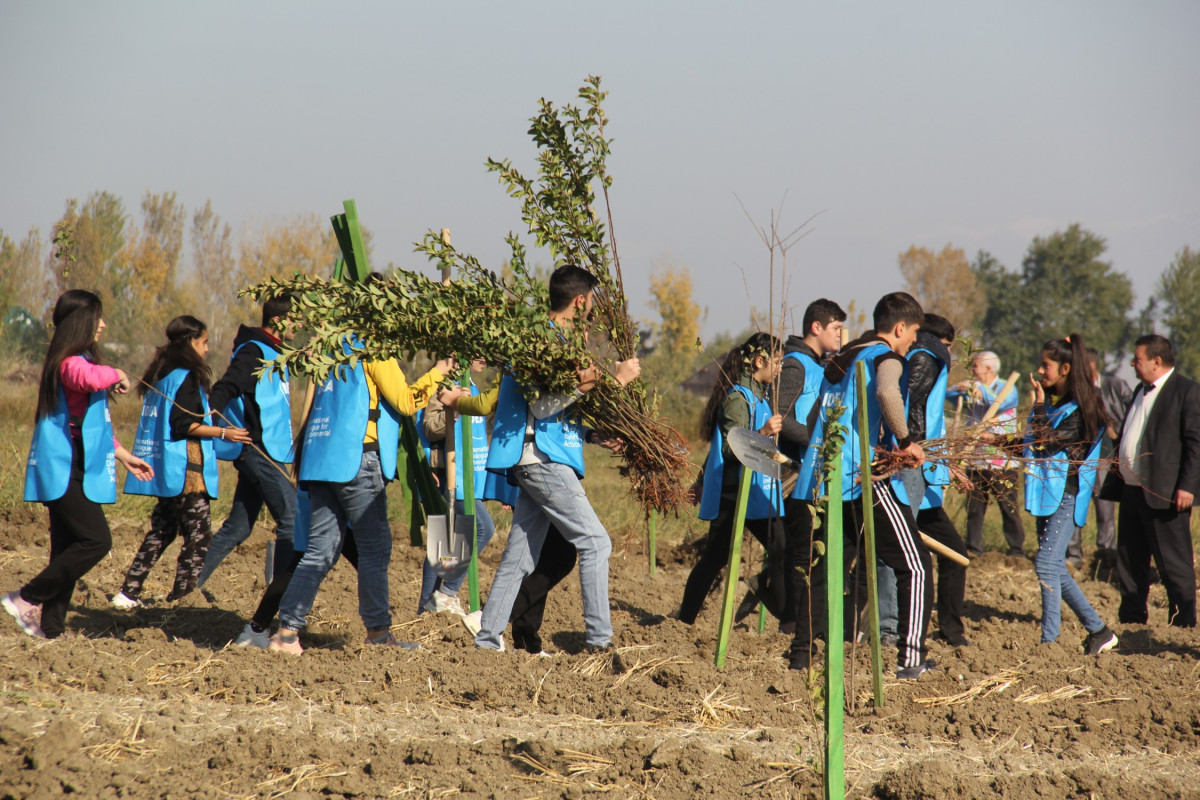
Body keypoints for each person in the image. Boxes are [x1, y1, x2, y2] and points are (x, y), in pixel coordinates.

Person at [470, 265, 640, 655]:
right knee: (596, 543)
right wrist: (613, 381)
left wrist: (592, 434)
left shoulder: (559, 342)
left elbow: (558, 412)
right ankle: (600, 643)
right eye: (592, 301)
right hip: (542, 461)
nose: (593, 308)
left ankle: (487, 640)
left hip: (538, 457)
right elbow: (543, 409)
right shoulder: (542, 343)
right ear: (580, 301)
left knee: (520, 556)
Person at [267, 337, 451, 653]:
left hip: (322, 462)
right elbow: (406, 402)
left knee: (319, 549)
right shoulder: (374, 349)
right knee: (375, 548)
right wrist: (438, 372)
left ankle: (285, 634)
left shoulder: (330, 348)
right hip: (358, 460)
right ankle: (378, 634)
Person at [799, 291, 935, 679]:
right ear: (899, 328)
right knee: (916, 566)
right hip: (860, 479)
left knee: (824, 571)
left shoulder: (846, 356)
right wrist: (905, 442)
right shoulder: (884, 356)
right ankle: (911, 659)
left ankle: (801, 655)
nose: (914, 341)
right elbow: (886, 391)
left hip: (825, 477)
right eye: (914, 332)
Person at [4, 290, 154, 639]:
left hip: (78, 463)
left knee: (66, 549)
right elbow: (87, 378)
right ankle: (25, 597)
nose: (103, 325)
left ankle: (51, 629)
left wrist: (123, 455)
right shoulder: (69, 362)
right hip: (63, 467)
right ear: (81, 322)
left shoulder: (80, 360)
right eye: (98, 318)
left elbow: (90, 425)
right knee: (96, 541)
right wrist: (117, 371)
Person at [114, 316, 251, 608]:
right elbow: (183, 424)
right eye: (204, 342)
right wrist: (224, 433)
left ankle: (127, 593)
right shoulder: (187, 377)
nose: (207, 348)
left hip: (167, 469)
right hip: (187, 471)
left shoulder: (163, 374)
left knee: (163, 530)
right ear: (190, 342)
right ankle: (183, 599)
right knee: (198, 537)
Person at [679, 332, 788, 627]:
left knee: (782, 549)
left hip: (757, 490)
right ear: (759, 361)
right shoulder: (738, 399)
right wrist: (764, 433)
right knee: (715, 559)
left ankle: (783, 613)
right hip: (735, 493)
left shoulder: (759, 397)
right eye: (777, 362)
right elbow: (729, 448)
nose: (779, 369)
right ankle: (683, 622)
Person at [194, 295, 298, 592]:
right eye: (296, 319)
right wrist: (210, 425)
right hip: (258, 451)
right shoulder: (253, 351)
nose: (300, 325)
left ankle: (191, 584)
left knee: (237, 528)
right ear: (278, 320)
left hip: (268, 450)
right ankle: (279, 598)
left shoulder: (276, 351)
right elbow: (225, 387)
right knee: (292, 520)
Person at [1024, 334, 1116, 654]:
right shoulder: (1055, 403)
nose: (1040, 371)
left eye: (1045, 365)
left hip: (1066, 495)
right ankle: (1099, 631)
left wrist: (1038, 404)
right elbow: (1035, 442)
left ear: (1065, 369)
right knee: (1054, 567)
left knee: (1046, 564)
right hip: (1046, 493)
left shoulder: (1080, 410)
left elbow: (1046, 441)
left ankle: (1049, 643)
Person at [1102, 334, 1200, 628]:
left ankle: (1182, 624)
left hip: (1165, 493)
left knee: (1173, 563)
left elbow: (1196, 444)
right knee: (1130, 561)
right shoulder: (1139, 390)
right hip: (1132, 490)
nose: (1132, 364)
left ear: (1156, 361)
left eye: (1137, 359)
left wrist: (1187, 486)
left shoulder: (1187, 391)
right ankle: (1132, 622)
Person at [888, 313, 971, 648]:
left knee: (954, 553)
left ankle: (951, 630)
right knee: (903, 557)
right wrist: (911, 452)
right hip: (909, 472)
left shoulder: (928, 358)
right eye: (948, 345)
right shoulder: (926, 357)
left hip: (925, 474)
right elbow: (908, 411)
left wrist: (945, 466)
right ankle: (894, 632)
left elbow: (927, 418)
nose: (948, 352)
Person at [776, 298, 845, 670]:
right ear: (816, 327)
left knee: (806, 554)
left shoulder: (819, 366)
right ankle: (794, 627)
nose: (840, 335)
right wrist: (816, 441)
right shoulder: (796, 364)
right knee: (802, 556)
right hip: (795, 473)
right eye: (836, 328)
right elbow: (781, 417)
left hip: (813, 472)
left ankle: (799, 621)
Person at [417, 358, 501, 618]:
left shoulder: (473, 386)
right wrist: (453, 410)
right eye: (477, 353)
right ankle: (447, 592)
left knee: (445, 542)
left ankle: (426, 609)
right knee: (482, 528)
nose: (484, 359)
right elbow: (430, 427)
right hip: (452, 473)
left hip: (472, 474)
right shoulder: (445, 383)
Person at [947, 351, 1026, 558]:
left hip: (1002, 461)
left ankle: (1016, 549)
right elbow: (948, 395)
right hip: (976, 459)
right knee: (974, 508)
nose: (972, 371)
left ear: (988, 369)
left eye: (975, 367)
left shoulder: (1007, 388)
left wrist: (980, 389)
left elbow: (998, 402)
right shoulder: (972, 389)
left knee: (1008, 506)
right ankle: (973, 548)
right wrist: (960, 387)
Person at [1084, 346, 1132, 564]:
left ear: (1091, 366)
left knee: (1104, 506)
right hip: (1083, 456)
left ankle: (1107, 553)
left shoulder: (1115, 386)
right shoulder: (1076, 391)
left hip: (1106, 454)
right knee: (1077, 504)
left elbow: (1133, 412)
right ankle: (1072, 554)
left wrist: (1116, 432)